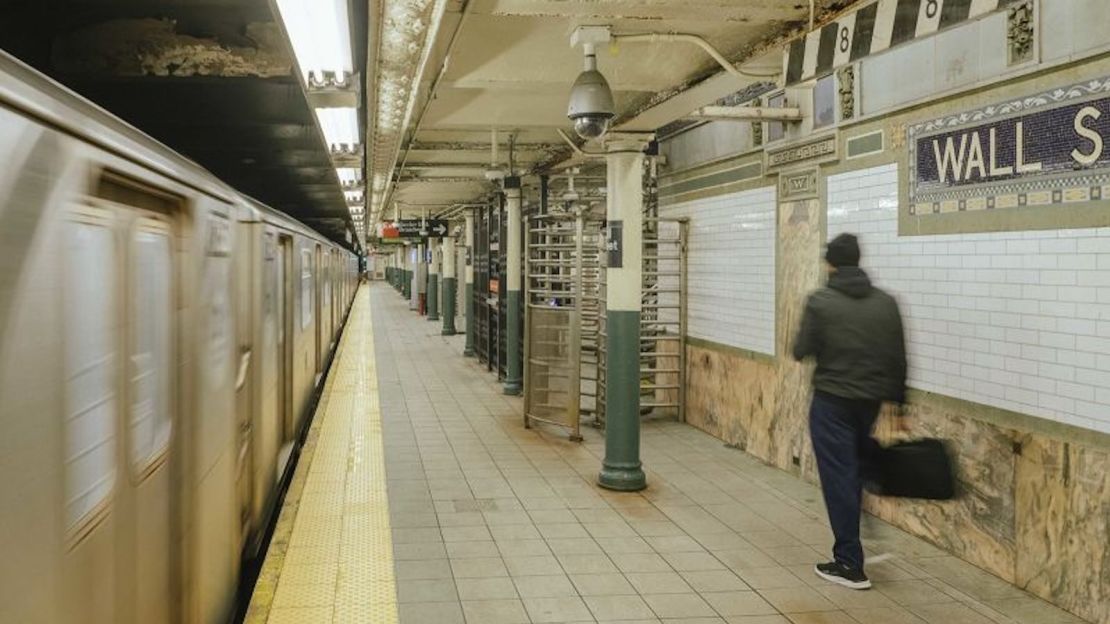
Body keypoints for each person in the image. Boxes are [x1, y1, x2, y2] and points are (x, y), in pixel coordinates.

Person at [793, 232, 907, 591]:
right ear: (858, 260)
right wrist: (900, 406)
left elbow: (801, 350)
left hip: (832, 402)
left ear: (830, 264)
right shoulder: (887, 303)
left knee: (839, 477)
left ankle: (848, 563)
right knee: (853, 466)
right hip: (869, 403)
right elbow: (898, 359)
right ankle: (866, 480)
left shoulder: (821, 301)